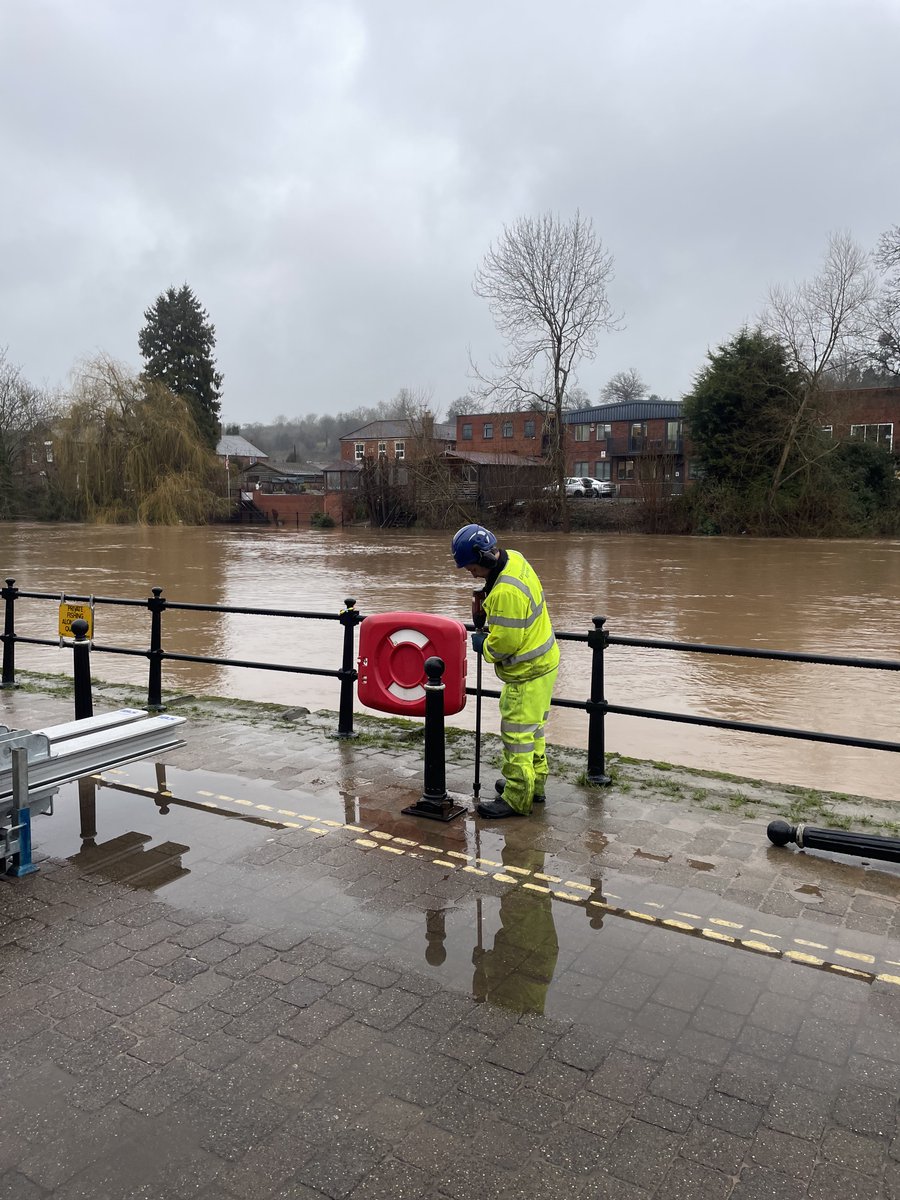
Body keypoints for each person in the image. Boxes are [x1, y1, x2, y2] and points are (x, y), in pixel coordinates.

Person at [451, 523, 559, 819]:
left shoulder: (505, 593)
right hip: (545, 662)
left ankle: (515, 797)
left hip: (526, 672)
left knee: (516, 737)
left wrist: (483, 645)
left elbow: (505, 644)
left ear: (483, 557)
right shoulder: (515, 560)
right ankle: (533, 786)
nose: (470, 573)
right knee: (533, 731)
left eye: (471, 567)